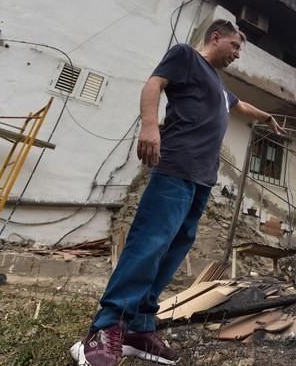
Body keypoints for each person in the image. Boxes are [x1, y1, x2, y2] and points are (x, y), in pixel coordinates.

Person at [71, 19, 284, 366]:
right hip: (175, 167)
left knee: (173, 249)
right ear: (216, 37)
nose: (238, 53)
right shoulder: (186, 56)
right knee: (151, 241)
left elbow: (241, 106)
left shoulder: (218, 84)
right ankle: (105, 328)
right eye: (235, 45)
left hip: (202, 178)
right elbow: (154, 83)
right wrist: (150, 125)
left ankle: (138, 327)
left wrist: (267, 118)